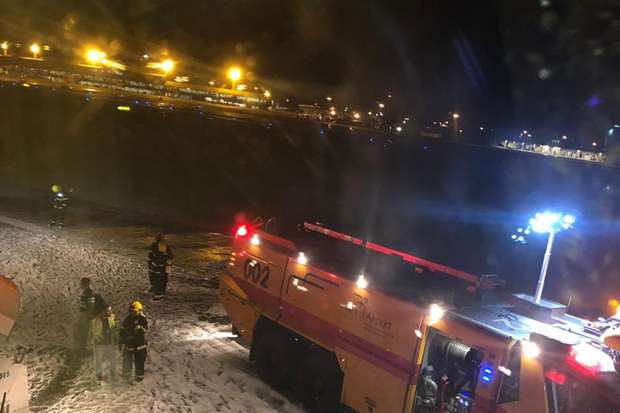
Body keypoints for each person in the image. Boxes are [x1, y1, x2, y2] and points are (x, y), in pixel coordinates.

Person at [119, 300, 148, 383]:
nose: (132, 313)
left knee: (139, 361)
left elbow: (144, 330)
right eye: (131, 311)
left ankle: (139, 377)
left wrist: (137, 326)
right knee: (127, 360)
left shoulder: (142, 320)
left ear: (139, 311)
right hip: (129, 345)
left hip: (140, 345)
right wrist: (121, 341)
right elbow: (123, 331)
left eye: (134, 311)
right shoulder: (127, 319)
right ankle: (126, 376)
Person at [89, 304, 118, 382]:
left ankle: (113, 374)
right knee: (98, 361)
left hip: (109, 343)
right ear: (102, 311)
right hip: (99, 344)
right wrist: (94, 338)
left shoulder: (111, 318)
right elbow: (92, 332)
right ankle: (99, 376)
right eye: (107, 310)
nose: (109, 312)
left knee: (113, 360)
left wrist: (115, 338)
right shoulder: (95, 320)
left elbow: (114, 329)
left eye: (110, 310)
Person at [147, 233, 174, 300]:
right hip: (162, 266)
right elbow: (170, 256)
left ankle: (159, 293)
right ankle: (159, 291)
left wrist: (151, 263)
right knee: (161, 278)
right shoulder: (164, 246)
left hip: (159, 266)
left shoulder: (156, 246)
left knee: (158, 278)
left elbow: (151, 256)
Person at [75, 277, 95, 352]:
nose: (80, 284)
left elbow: (91, 305)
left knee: (84, 329)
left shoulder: (89, 292)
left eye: (82, 283)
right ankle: (81, 346)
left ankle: (83, 346)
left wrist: (88, 315)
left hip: (86, 314)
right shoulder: (86, 292)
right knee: (81, 329)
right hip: (84, 313)